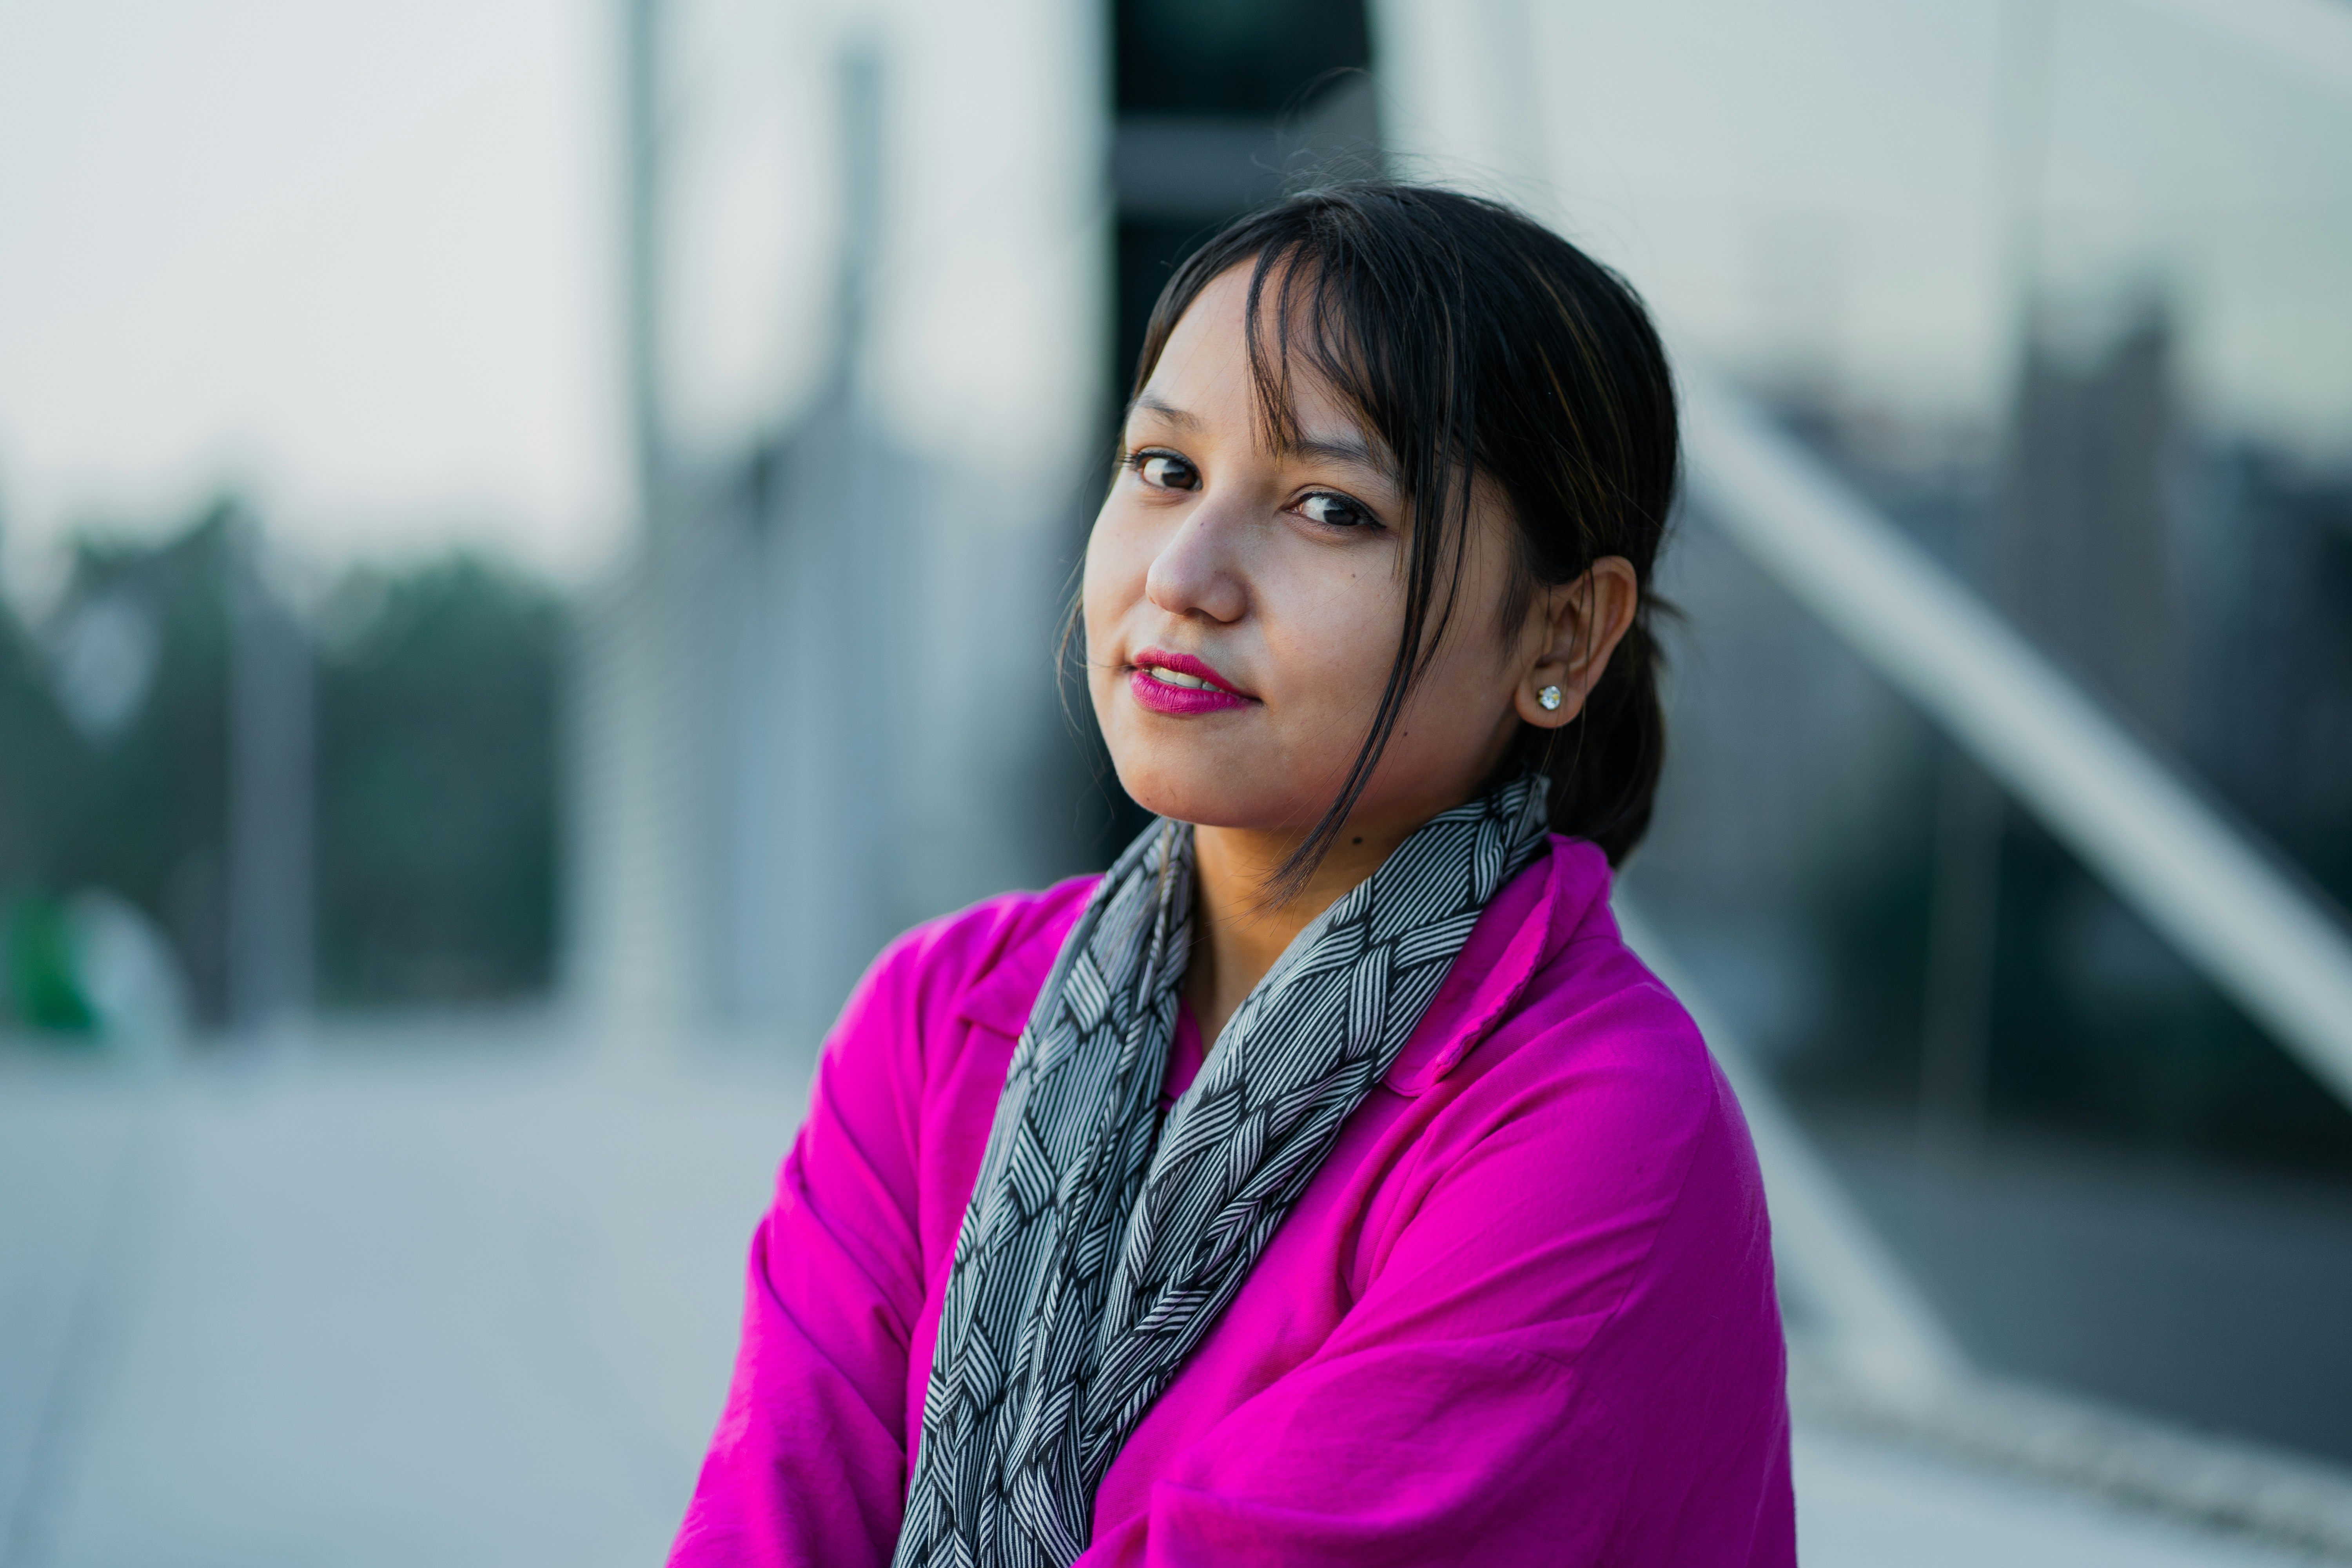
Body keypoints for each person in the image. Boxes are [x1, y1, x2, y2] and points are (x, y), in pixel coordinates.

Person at [668, 183, 1794, 1567]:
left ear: (1561, 633)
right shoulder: (936, 1019)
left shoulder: (1590, 1127)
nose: (1186, 575)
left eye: (1329, 507)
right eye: (1164, 470)